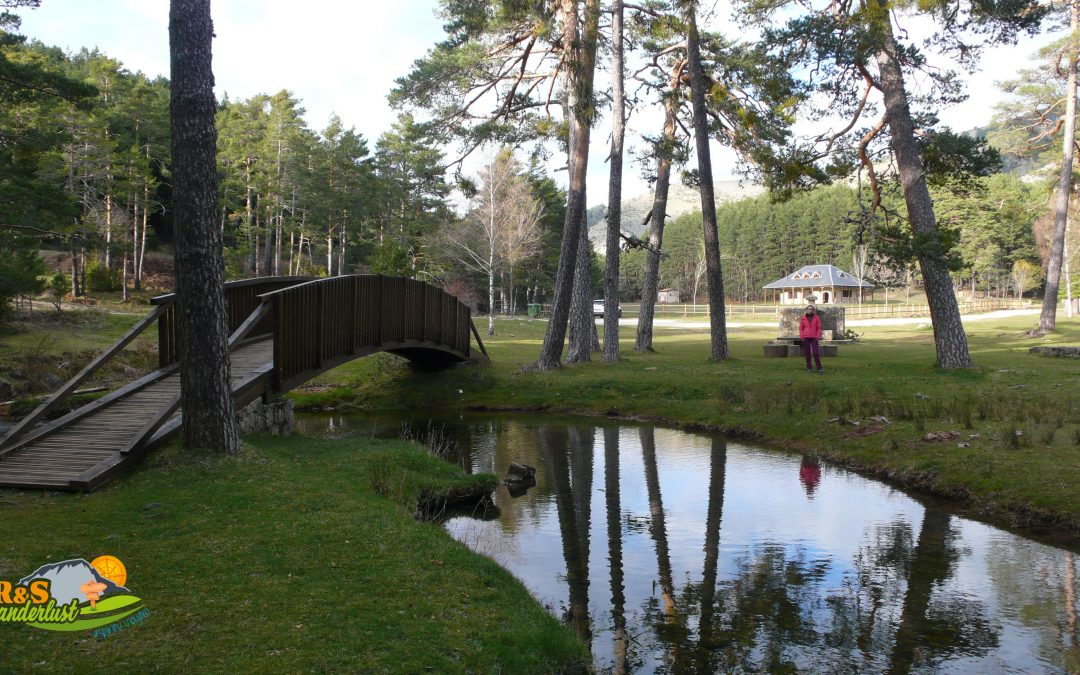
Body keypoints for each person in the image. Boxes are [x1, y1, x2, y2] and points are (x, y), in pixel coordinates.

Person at [799, 304, 823, 373]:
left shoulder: (816, 317)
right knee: (807, 353)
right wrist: (802, 336)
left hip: (814, 338)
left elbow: (819, 328)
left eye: (811, 309)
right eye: (809, 309)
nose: (810, 310)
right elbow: (801, 329)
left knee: (815, 353)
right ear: (807, 310)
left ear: (813, 310)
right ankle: (809, 368)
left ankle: (819, 368)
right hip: (806, 337)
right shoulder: (803, 318)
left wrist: (817, 337)